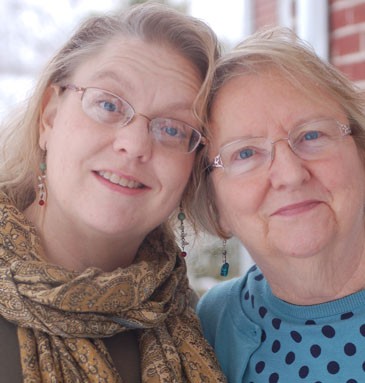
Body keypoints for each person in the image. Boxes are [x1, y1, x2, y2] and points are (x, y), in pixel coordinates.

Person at [0, 3, 226, 383]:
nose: (135, 144)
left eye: (172, 129)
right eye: (108, 104)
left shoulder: (202, 323)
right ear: (49, 117)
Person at [193, 27, 365, 383]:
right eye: (245, 153)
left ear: (363, 158)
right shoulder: (215, 323)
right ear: (215, 206)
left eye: (312, 135)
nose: (289, 174)